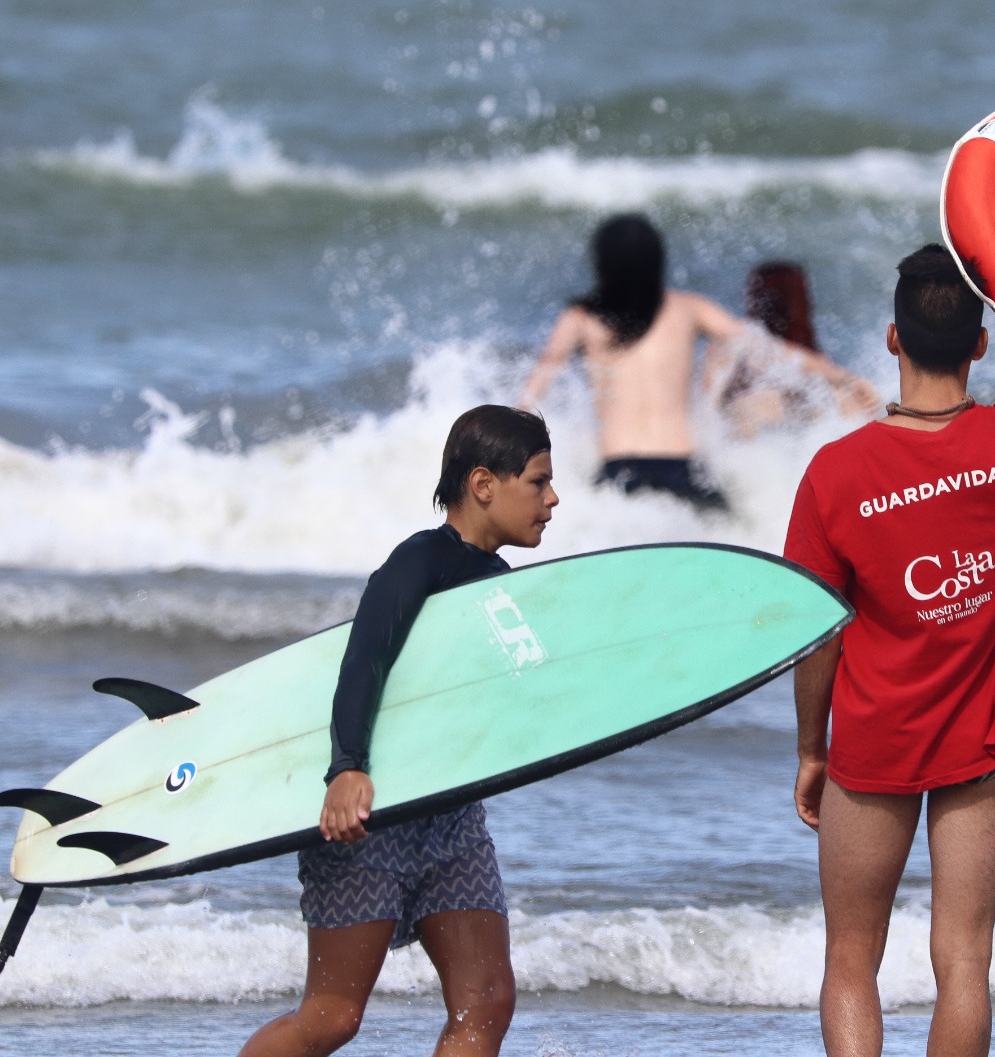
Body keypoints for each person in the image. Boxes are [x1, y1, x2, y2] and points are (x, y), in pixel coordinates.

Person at [782, 128, 995, 1057]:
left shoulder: (835, 473)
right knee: (962, 959)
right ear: (981, 342)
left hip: (872, 744)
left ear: (892, 338)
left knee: (851, 958)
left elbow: (814, 637)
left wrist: (813, 748)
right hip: (986, 743)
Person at [238, 404, 558, 1057]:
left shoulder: (497, 581)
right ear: (484, 484)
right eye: (537, 481)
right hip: (370, 814)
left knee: (487, 1001)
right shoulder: (418, 562)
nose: (553, 499)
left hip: (451, 817)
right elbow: (364, 661)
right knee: (331, 1016)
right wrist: (346, 766)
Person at [521, 214, 876, 510]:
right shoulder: (688, 308)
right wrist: (842, 377)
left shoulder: (581, 318)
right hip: (682, 470)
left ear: (601, 264)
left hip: (619, 473)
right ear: (657, 262)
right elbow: (768, 350)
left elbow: (536, 391)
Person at [715, 262, 879, 435]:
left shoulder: (734, 343)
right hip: (815, 441)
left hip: (750, 441)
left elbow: (711, 401)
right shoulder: (819, 364)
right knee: (838, 396)